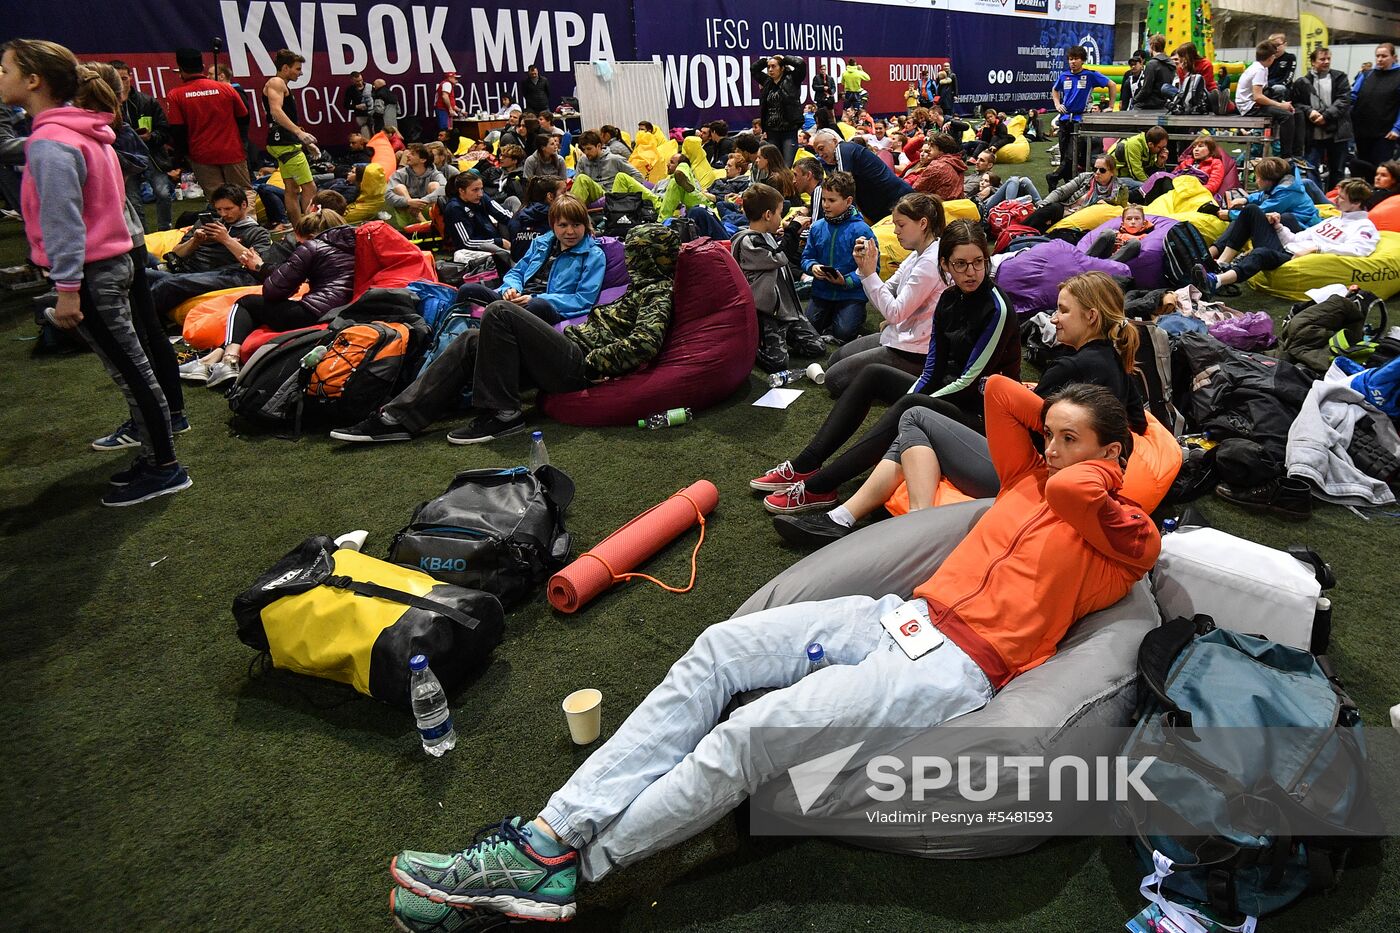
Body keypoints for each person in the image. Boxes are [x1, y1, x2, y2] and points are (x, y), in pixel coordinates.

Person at [775, 271, 1147, 544]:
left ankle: (907, 523)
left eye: (1063, 311)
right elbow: (1135, 423)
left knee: (916, 414)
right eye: (959, 263)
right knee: (911, 413)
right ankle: (842, 513)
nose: (1053, 318)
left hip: (1027, 471)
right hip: (1033, 453)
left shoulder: (1068, 363)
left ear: (1091, 317)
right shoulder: (1116, 362)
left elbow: (1032, 427)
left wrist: (1018, 402)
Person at [3, 38, 191, 505]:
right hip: (115, 260)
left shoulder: (53, 143)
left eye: (5, 69)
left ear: (34, 80)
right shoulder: (86, 131)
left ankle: (164, 466)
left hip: (92, 271)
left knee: (131, 370)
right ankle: (156, 458)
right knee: (136, 364)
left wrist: (66, 287)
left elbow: (64, 220)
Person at [757, 219, 1020, 515]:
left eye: (977, 262)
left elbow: (970, 381)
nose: (971, 272)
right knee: (873, 375)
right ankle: (806, 463)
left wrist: (912, 403)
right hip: (952, 394)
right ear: (945, 264)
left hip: (982, 414)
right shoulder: (948, 299)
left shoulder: (997, 307)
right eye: (961, 264)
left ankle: (820, 486)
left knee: (911, 404)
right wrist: (913, 397)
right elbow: (932, 367)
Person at [334, 223, 678, 446]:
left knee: (500, 312)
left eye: (634, 253)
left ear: (646, 256)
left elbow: (645, 344)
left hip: (578, 364)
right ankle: (397, 418)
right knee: (471, 339)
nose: (629, 260)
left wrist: (592, 361)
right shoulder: (641, 287)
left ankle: (503, 414)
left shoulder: (657, 291)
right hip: (570, 347)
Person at [181, 210, 355, 387]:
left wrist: (258, 267)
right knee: (258, 311)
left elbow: (275, 291)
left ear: (310, 237)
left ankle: (229, 360)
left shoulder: (312, 247)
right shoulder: (355, 244)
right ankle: (211, 359)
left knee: (246, 302)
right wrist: (262, 267)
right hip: (342, 310)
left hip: (315, 311)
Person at [823, 192, 946, 396]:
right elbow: (887, 291)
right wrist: (864, 269)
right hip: (901, 334)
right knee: (834, 360)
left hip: (915, 350)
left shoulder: (930, 261)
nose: (896, 231)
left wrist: (870, 274)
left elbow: (894, 313)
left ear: (923, 223)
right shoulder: (918, 253)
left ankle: (920, 379)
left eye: (901, 224)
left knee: (835, 380)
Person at [1192, 179, 1378, 298]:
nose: (1336, 200)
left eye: (1342, 198)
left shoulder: (1364, 227)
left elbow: (1359, 251)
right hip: (1290, 249)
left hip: (1300, 259)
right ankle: (1220, 264)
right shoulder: (1335, 219)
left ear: (1356, 203)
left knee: (1261, 253)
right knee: (1251, 211)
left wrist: (1318, 249)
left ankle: (1215, 281)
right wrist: (1278, 226)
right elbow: (1296, 238)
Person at [452, 193, 602, 325]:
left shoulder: (593, 255)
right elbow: (517, 272)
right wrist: (511, 289)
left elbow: (583, 300)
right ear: (553, 225)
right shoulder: (542, 243)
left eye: (576, 225)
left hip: (549, 307)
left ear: (585, 225)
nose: (570, 231)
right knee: (468, 290)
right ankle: (454, 333)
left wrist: (534, 298)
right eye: (563, 225)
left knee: (535, 306)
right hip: (520, 297)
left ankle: (493, 328)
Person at [731, 183, 826, 373]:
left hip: (786, 311)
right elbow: (779, 257)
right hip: (767, 314)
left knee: (816, 347)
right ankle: (751, 344)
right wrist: (792, 230)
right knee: (777, 364)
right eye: (779, 213)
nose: (781, 218)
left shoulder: (766, 235)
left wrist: (787, 233)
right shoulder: (748, 241)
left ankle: (784, 336)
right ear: (768, 215)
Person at [145, 184, 274, 319]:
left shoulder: (258, 233)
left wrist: (226, 239)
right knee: (134, 258)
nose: (223, 214)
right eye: (219, 209)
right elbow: (176, 253)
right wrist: (195, 241)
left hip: (200, 276)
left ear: (243, 205)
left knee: (150, 279)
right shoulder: (207, 224)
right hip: (176, 266)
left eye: (228, 209)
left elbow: (257, 265)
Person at [164, 47, 251, 199]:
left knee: (217, 199)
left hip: (201, 156)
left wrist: (180, 159)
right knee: (243, 194)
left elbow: (178, 131)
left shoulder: (175, 95)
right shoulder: (226, 89)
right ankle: (250, 223)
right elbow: (244, 117)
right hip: (232, 152)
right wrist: (241, 144)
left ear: (180, 69)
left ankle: (223, 223)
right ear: (203, 67)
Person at [800, 171, 875, 344]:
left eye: (832, 200)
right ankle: (832, 317)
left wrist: (846, 281)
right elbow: (806, 257)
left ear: (848, 201)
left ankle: (854, 314)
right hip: (822, 292)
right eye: (824, 199)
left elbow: (872, 268)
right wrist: (812, 267)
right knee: (808, 329)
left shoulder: (862, 230)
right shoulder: (817, 227)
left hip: (851, 294)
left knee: (844, 332)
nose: (825, 205)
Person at [109, 61, 174, 232]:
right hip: (125, 158)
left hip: (152, 154)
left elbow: (164, 130)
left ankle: (165, 230)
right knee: (133, 199)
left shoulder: (147, 102)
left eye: (124, 78)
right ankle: (143, 236)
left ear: (130, 77)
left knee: (163, 193)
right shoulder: (108, 106)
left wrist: (150, 137)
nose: (121, 83)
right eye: (117, 78)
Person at [262, 49, 319, 226]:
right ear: (285, 67)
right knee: (310, 188)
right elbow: (276, 111)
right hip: (284, 143)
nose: (300, 72)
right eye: (297, 68)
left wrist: (302, 140)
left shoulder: (281, 84)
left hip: (283, 142)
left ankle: (298, 228)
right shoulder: (276, 82)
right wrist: (299, 133)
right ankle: (310, 228)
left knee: (292, 189)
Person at [809, 128, 914, 222]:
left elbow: (841, 184)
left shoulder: (843, 148)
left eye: (821, 148)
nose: (820, 154)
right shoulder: (836, 161)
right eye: (817, 152)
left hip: (900, 199)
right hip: (884, 209)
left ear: (834, 141)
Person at [1047, 46, 1115, 189]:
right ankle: (1068, 186)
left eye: (1076, 59)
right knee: (1065, 156)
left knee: (1072, 156)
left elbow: (1112, 85)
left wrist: (1110, 106)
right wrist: (1057, 104)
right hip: (1064, 119)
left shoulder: (1090, 75)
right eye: (1071, 59)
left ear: (1083, 60)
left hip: (1080, 120)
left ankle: (1053, 177)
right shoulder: (1064, 76)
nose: (1073, 62)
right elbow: (1054, 89)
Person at [1197, 155, 1319, 233]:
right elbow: (1265, 195)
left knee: (1243, 221)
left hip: (1303, 225)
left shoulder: (1285, 194)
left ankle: (1217, 251)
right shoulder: (1281, 187)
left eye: (1258, 177)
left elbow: (1260, 211)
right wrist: (1246, 199)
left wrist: (1230, 214)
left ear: (1268, 180)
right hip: (1300, 219)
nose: (1256, 181)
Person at [1021, 152, 1130, 233]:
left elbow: (1119, 211)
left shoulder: (1120, 189)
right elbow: (1061, 192)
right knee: (1051, 209)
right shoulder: (1086, 177)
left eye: (1102, 170)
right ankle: (1020, 231)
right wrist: (1043, 204)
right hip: (1067, 210)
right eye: (1095, 169)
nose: (1097, 173)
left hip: (1085, 220)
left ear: (1112, 172)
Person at [1293, 48, 1352, 191]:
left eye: (1328, 59)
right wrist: (1309, 111)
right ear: (1313, 62)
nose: (1326, 62)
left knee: (1337, 170)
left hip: (1337, 132)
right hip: (1312, 133)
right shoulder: (1302, 82)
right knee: (1310, 168)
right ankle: (1317, 199)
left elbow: (1344, 100)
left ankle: (1334, 198)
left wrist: (1325, 116)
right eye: (1322, 59)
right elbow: (1296, 103)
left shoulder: (1340, 78)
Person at [1237, 42, 1298, 160]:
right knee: (1287, 116)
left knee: (1279, 91)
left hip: (1252, 103)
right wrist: (1280, 105)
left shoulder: (1260, 67)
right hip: (1250, 107)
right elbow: (1258, 97)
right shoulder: (1259, 70)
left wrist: (1282, 104)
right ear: (1271, 58)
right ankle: (1286, 156)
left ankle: (1281, 144)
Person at [441, 170, 513, 268]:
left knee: (513, 201)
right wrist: (498, 241)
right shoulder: (455, 208)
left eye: (481, 189)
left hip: (496, 238)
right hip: (478, 248)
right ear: (461, 191)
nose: (480, 194)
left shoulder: (481, 197)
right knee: (501, 253)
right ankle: (511, 256)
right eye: (475, 190)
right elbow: (466, 242)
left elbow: (504, 216)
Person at [751, 54, 806, 164]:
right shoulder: (767, 82)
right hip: (772, 131)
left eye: (774, 66)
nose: (770, 70)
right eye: (768, 67)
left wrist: (784, 59)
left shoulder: (792, 79)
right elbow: (754, 69)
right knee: (774, 165)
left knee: (788, 164)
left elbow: (800, 64)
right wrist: (766, 60)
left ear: (782, 68)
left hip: (788, 130)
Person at [1351, 42, 1399, 166]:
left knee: (1381, 169)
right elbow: (1352, 97)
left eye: (1384, 56)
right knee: (1363, 167)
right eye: (1377, 56)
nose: (1380, 59)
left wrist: (1397, 128)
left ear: (1394, 57)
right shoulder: (1366, 75)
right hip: (1361, 131)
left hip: (1386, 134)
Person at [570, 129, 647, 200]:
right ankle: (571, 210)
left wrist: (624, 194)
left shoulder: (614, 159)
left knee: (582, 178)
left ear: (599, 146)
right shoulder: (583, 161)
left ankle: (572, 210)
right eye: (583, 149)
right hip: (593, 193)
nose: (586, 152)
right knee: (579, 180)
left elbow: (638, 176)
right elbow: (576, 181)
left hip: (611, 194)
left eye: (589, 149)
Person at [507, 175, 566, 259]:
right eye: (564, 192)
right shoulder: (558, 216)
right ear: (550, 196)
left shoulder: (517, 215)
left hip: (518, 267)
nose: (568, 195)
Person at [1084, 204, 1154, 263]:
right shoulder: (1116, 234)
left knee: (1135, 243)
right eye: (1129, 219)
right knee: (1108, 232)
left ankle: (1105, 266)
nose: (1133, 222)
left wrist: (1125, 245)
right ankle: (1084, 261)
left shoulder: (1145, 237)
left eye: (1137, 219)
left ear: (1143, 223)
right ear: (1123, 224)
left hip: (1117, 263)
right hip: (1105, 256)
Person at [910, 135, 968, 201]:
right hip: (951, 206)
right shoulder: (955, 162)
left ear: (941, 151)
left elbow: (915, 190)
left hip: (936, 207)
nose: (928, 149)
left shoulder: (937, 166)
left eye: (932, 146)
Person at [1134, 34, 1176, 110]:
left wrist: (1135, 99)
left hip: (1151, 103)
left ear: (1152, 46)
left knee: (1135, 107)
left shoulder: (1152, 64)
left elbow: (1146, 89)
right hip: (1165, 102)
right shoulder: (1171, 63)